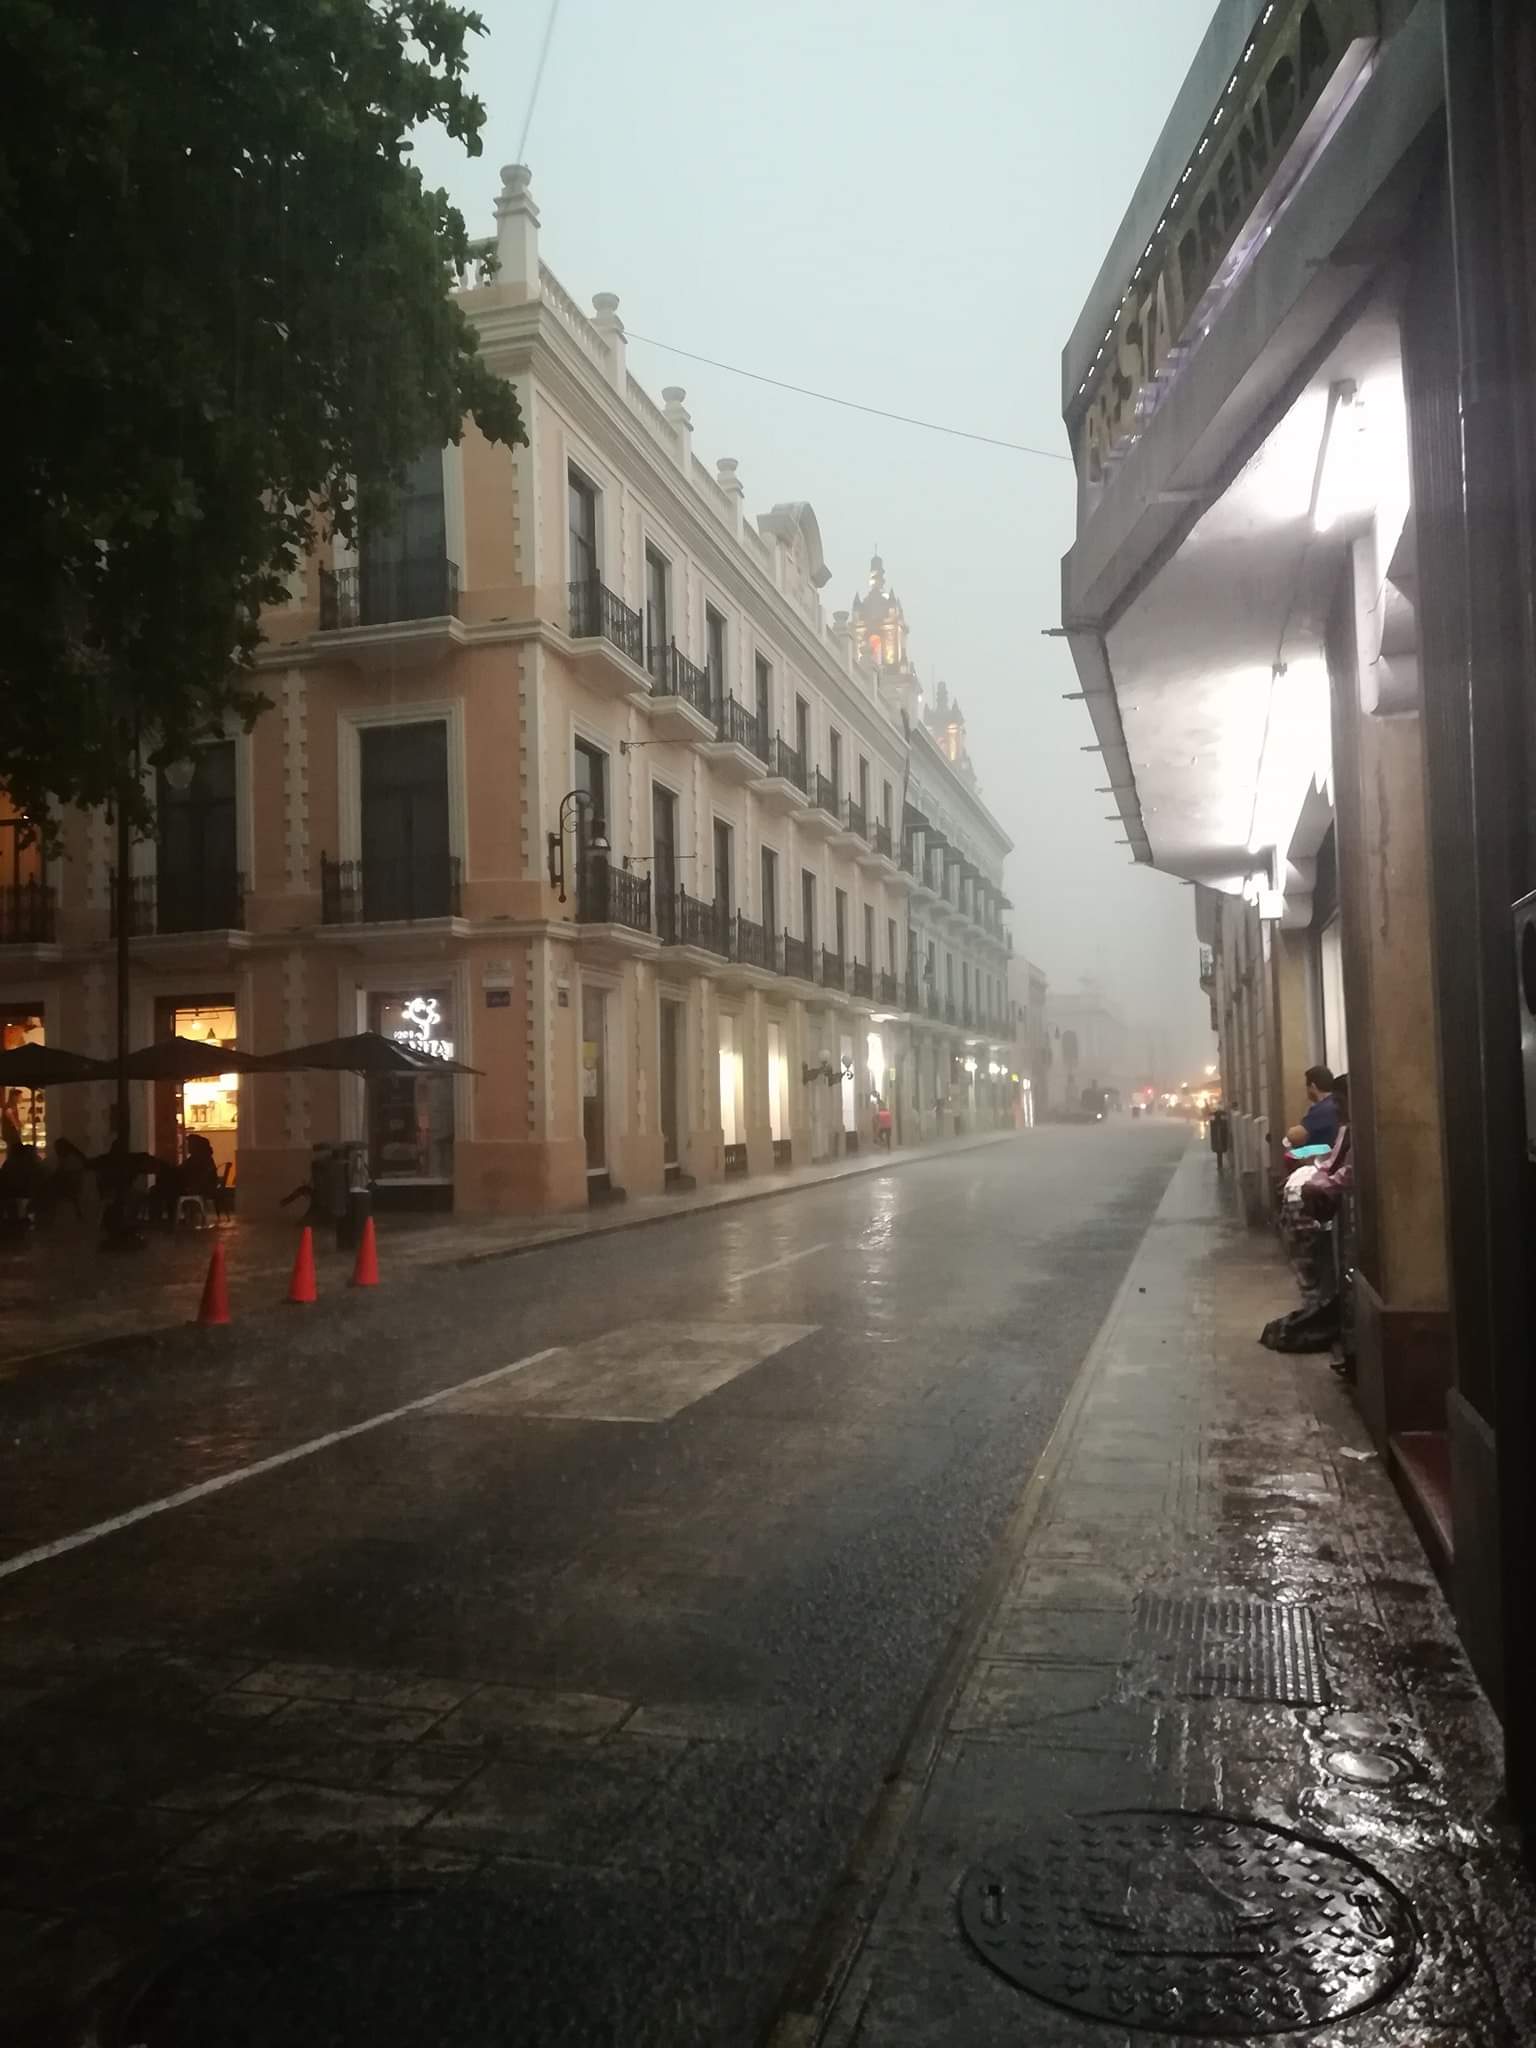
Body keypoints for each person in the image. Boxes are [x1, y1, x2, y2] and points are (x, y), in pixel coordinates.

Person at [1284, 1065, 1339, 1150]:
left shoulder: (1322, 1110)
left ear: (1313, 1086)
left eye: (1307, 1087)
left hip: (1319, 1155)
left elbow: (1294, 1136)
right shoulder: (1336, 1102)